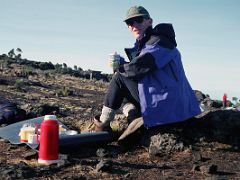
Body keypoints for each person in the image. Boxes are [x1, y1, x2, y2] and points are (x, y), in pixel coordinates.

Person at [90, 6, 201, 138]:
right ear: (128, 27)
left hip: (170, 106)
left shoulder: (159, 42)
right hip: (171, 103)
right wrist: (123, 64)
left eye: (139, 20)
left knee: (120, 78)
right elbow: (141, 67)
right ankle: (134, 117)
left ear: (149, 21)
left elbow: (139, 67)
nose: (134, 25)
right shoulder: (151, 43)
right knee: (123, 83)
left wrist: (119, 68)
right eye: (130, 22)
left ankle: (102, 126)